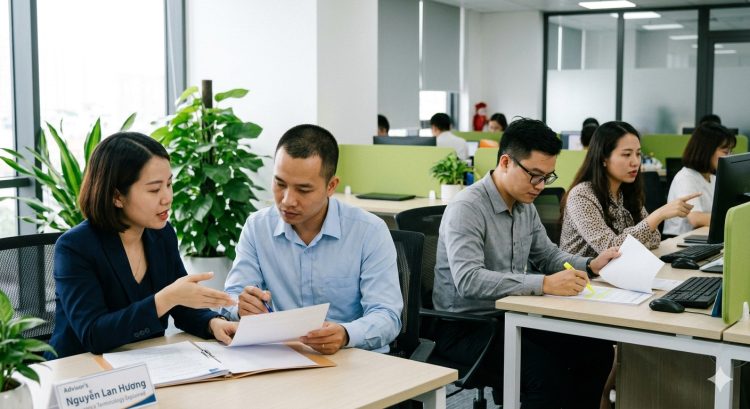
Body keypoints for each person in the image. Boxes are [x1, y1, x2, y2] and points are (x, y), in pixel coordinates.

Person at [432, 118, 620, 408]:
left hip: (511, 316)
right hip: (465, 327)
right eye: (534, 175)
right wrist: (544, 284)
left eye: (547, 177)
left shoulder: (524, 206)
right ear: (506, 162)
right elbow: (469, 280)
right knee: (546, 376)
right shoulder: (468, 207)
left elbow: (547, 256)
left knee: (595, 351)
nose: (540, 186)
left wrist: (591, 264)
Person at [49, 132, 237, 359]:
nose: (167, 197)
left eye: (169, 184)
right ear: (117, 196)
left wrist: (213, 323)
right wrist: (165, 299)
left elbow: (182, 306)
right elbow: (93, 334)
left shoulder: (162, 234)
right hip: (80, 370)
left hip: (145, 363)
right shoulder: (75, 247)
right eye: (154, 189)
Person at [223, 124, 402, 354]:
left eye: (303, 190)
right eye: (280, 184)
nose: (287, 200)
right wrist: (241, 306)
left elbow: (387, 316)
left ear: (331, 186)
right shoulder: (257, 227)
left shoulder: (369, 231)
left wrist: (346, 334)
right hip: (282, 357)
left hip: (352, 359)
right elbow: (231, 296)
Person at [560, 121, 700, 257]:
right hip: (580, 272)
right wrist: (658, 215)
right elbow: (610, 249)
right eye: (627, 154)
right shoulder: (582, 195)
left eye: (638, 154)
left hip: (619, 269)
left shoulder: (625, 191)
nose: (635, 162)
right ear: (603, 158)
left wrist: (635, 236)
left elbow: (654, 240)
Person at [663, 122, 736, 236]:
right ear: (707, 150)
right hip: (679, 240)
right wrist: (733, 219)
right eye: (726, 152)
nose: (729, 156)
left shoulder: (713, 178)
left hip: (703, 237)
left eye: (731, 152)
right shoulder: (686, 178)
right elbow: (696, 219)